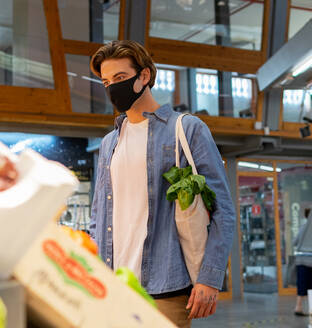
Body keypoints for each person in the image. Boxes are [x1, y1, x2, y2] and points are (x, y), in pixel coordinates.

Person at [89, 40, 235, 328]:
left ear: (144, 76)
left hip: (164, 288)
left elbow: (223, 210)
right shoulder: (109, 143)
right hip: (113, 286)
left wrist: (209, 277)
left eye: (119, 78)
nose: (112, 88)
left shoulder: (187, 129)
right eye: (106, 82)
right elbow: (98, 217)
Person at [293, 208, 312, 316]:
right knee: (311, 286)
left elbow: (294, 242)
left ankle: (299, 307)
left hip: (300, 259)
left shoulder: (302, 227)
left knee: (302, 284)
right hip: (310, 260)